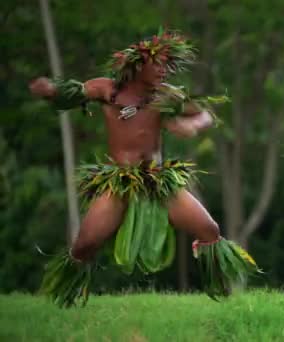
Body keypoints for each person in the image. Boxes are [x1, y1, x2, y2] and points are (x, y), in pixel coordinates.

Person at [29, 29, 258, 308]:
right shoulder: (107, 90)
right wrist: (51, 91)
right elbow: (73, 92)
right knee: (84, 245)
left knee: (209, 230)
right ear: (138, 65)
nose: (164, 71)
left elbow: (205, 114)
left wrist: (191, 125)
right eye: (158, 64)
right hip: (120, 182)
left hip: (157, 181)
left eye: (166, 65)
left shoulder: (166, 95)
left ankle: (224, 297)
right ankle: (60, 298)